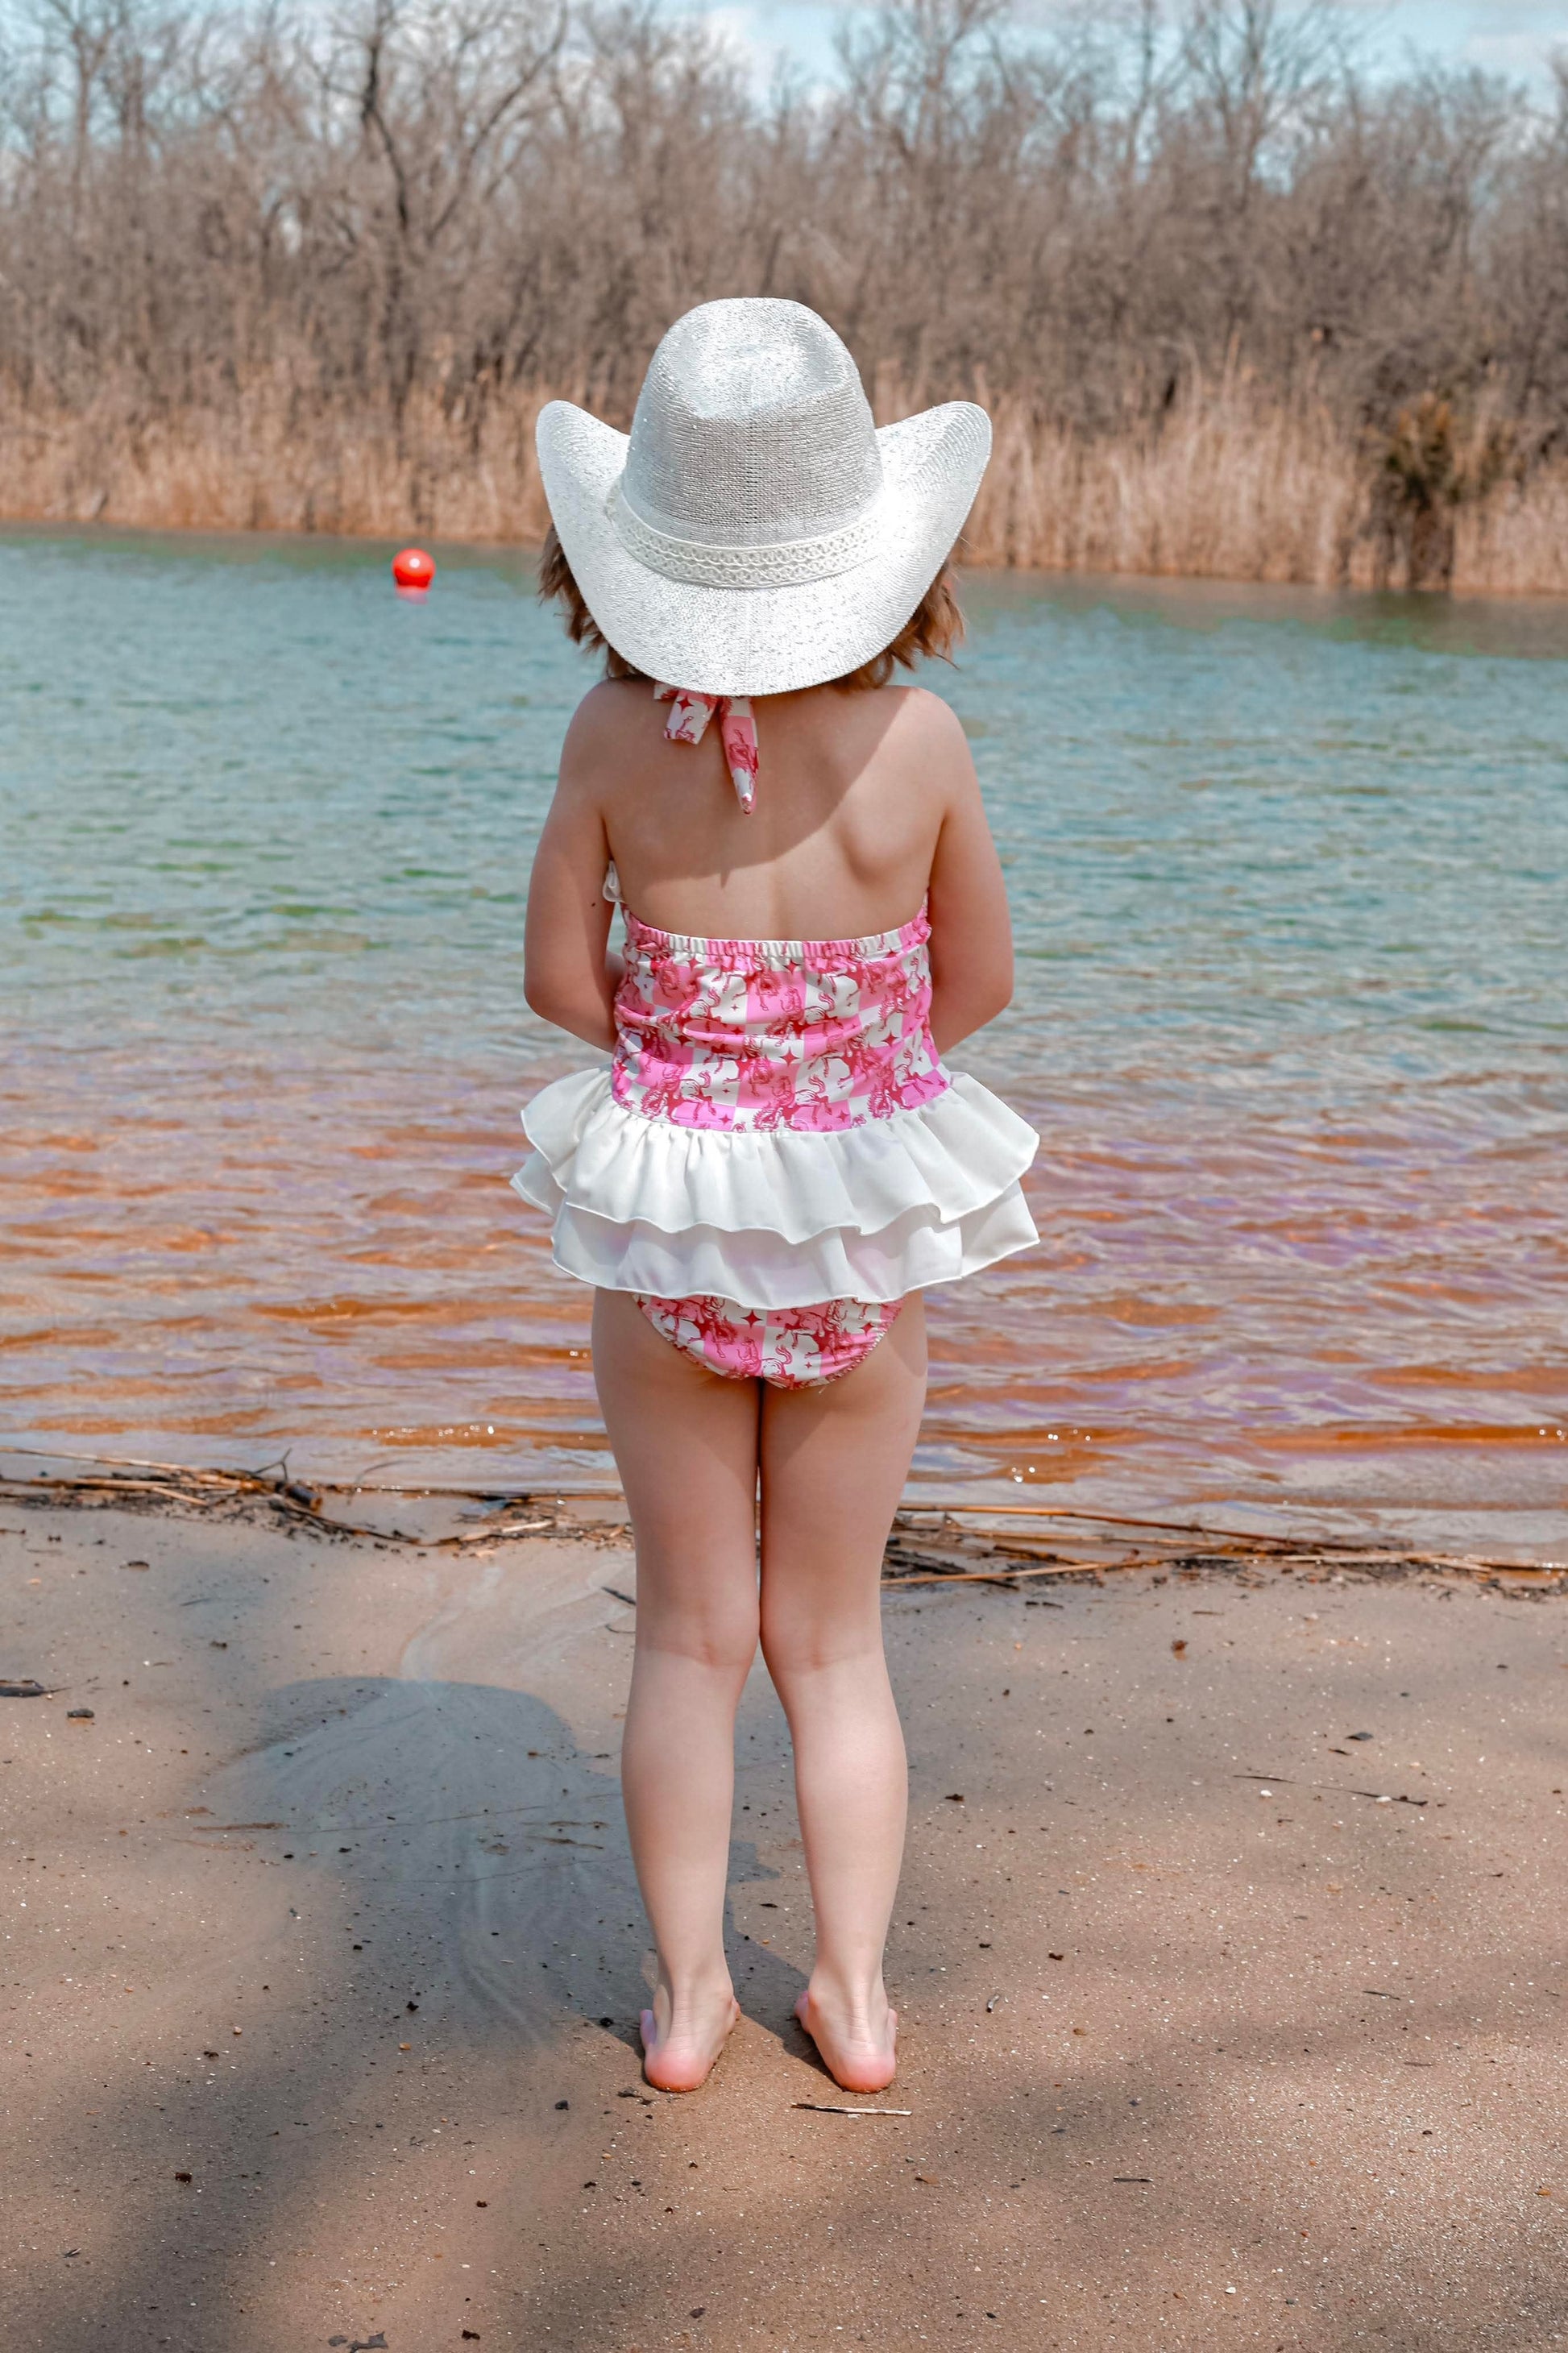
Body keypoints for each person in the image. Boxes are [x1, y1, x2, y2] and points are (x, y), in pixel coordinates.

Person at [516, 298, 1038, 2094]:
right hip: (856, 1242)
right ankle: (858, 2002)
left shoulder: (611, 738)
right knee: (834, 1640)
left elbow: (555, 982)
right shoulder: (922, 741)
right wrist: (847, 1073)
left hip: (670, 1229)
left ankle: (684, 2005)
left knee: (687, 1634)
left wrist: (692, 1068)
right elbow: (980, 981)